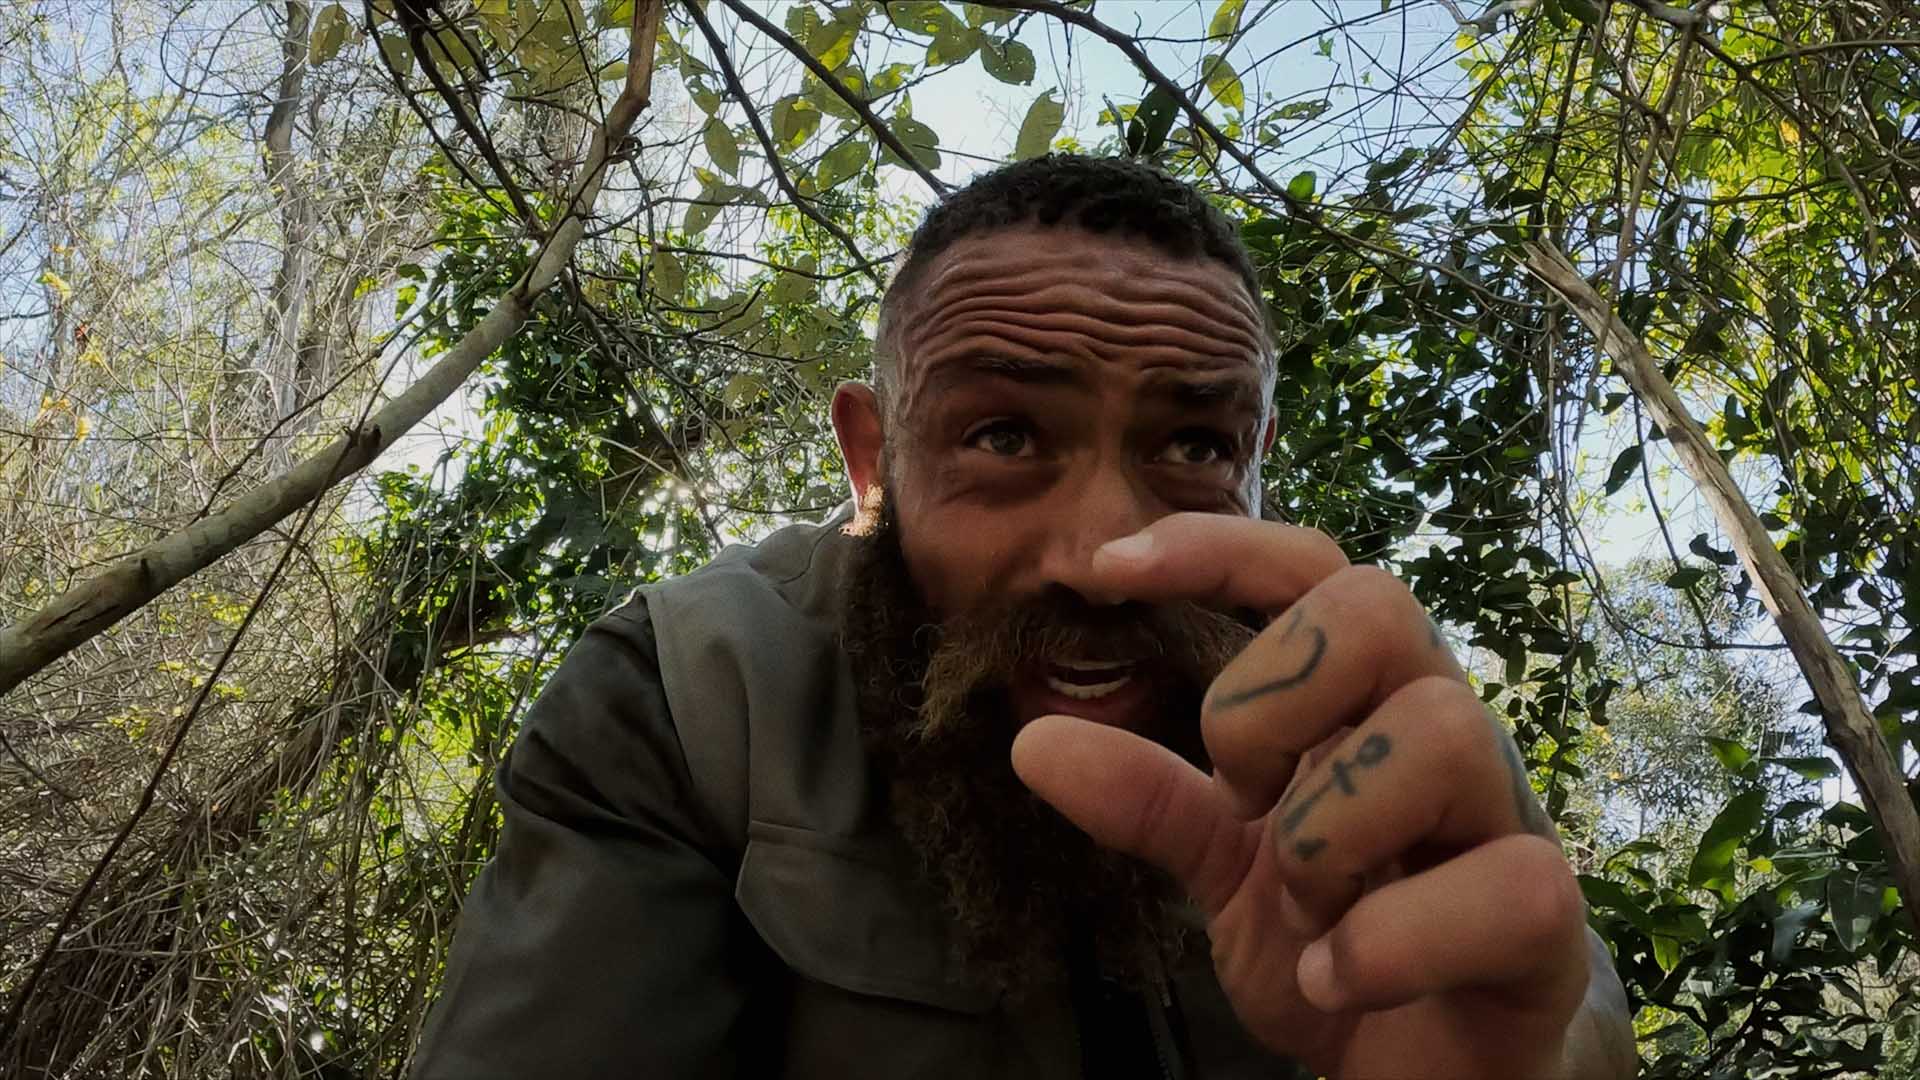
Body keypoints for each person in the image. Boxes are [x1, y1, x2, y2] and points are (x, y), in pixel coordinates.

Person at [411, 154, 1638, 1079]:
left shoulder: (1351, 705)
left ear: (1258, 462)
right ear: (875, 462)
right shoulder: (691, 695)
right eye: (1003, 435)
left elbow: (1559, 1006)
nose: (1103, 559)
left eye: (1195, 445)